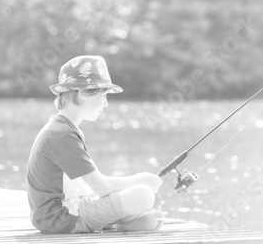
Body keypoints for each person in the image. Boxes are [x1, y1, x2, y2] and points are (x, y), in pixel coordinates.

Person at [26, 55, 164, 234]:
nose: (106, 103)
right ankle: (116, 224)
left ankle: (116, 224)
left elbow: (95, 187)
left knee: (138, 200)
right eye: (104, 96)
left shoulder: (63, 129)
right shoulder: (63, 135)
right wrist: (140, 179)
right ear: (83, 93)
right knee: (144, 195)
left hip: (63, 211)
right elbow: (102, 187)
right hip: (61, 217)